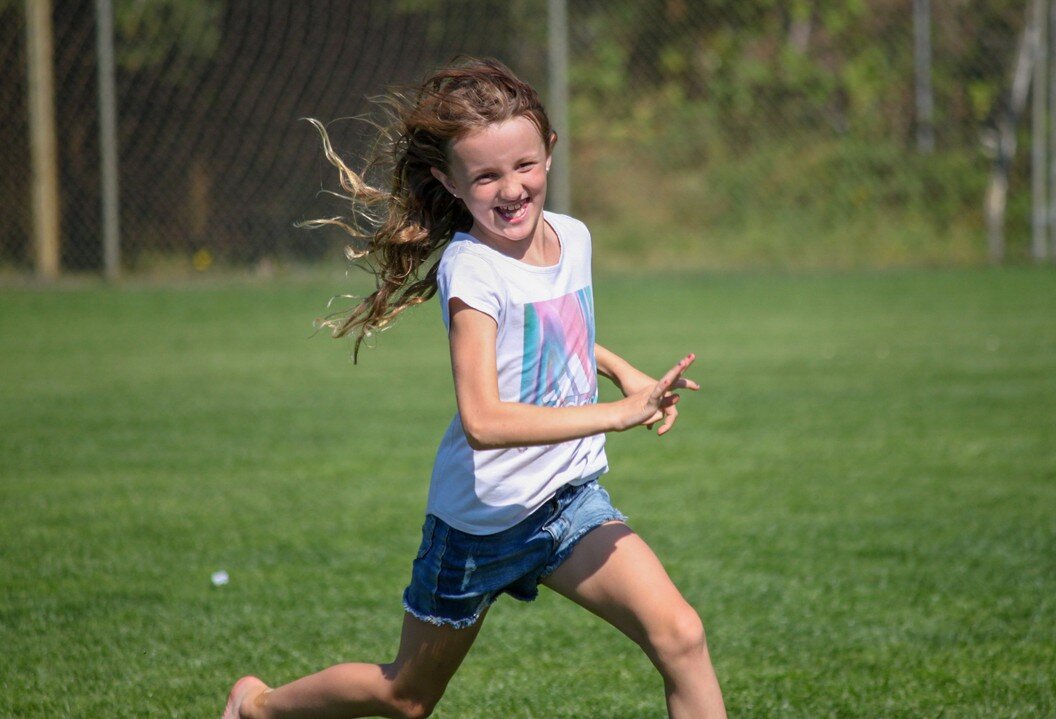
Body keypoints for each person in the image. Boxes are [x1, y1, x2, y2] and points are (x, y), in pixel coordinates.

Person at [223, 57, 727, 719]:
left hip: (569, 504)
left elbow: (549, 334)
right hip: (479, 526)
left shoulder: (573, 238)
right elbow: (484, 418)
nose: (510, 189)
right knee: (406, 696)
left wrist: (622, 368)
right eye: (485, 175)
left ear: (549, 151)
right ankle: (256, 707)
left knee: (682, 634)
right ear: (449, 182)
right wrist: (618, 412)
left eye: (523, 166)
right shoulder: (471, 269)